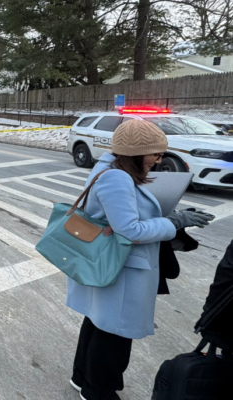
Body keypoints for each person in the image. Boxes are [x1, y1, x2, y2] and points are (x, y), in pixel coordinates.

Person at [66, 119, 214, 400]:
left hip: (109, 262)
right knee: (115, 333)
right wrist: (173, 222)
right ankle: (98, 392)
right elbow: (129, 230)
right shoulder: (117, 177)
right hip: (122, 267)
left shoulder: (109, 168)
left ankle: (81, 377)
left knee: (99, 322)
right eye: (155, 154)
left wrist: (166, 214)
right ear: (135, 152)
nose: (159, 160)